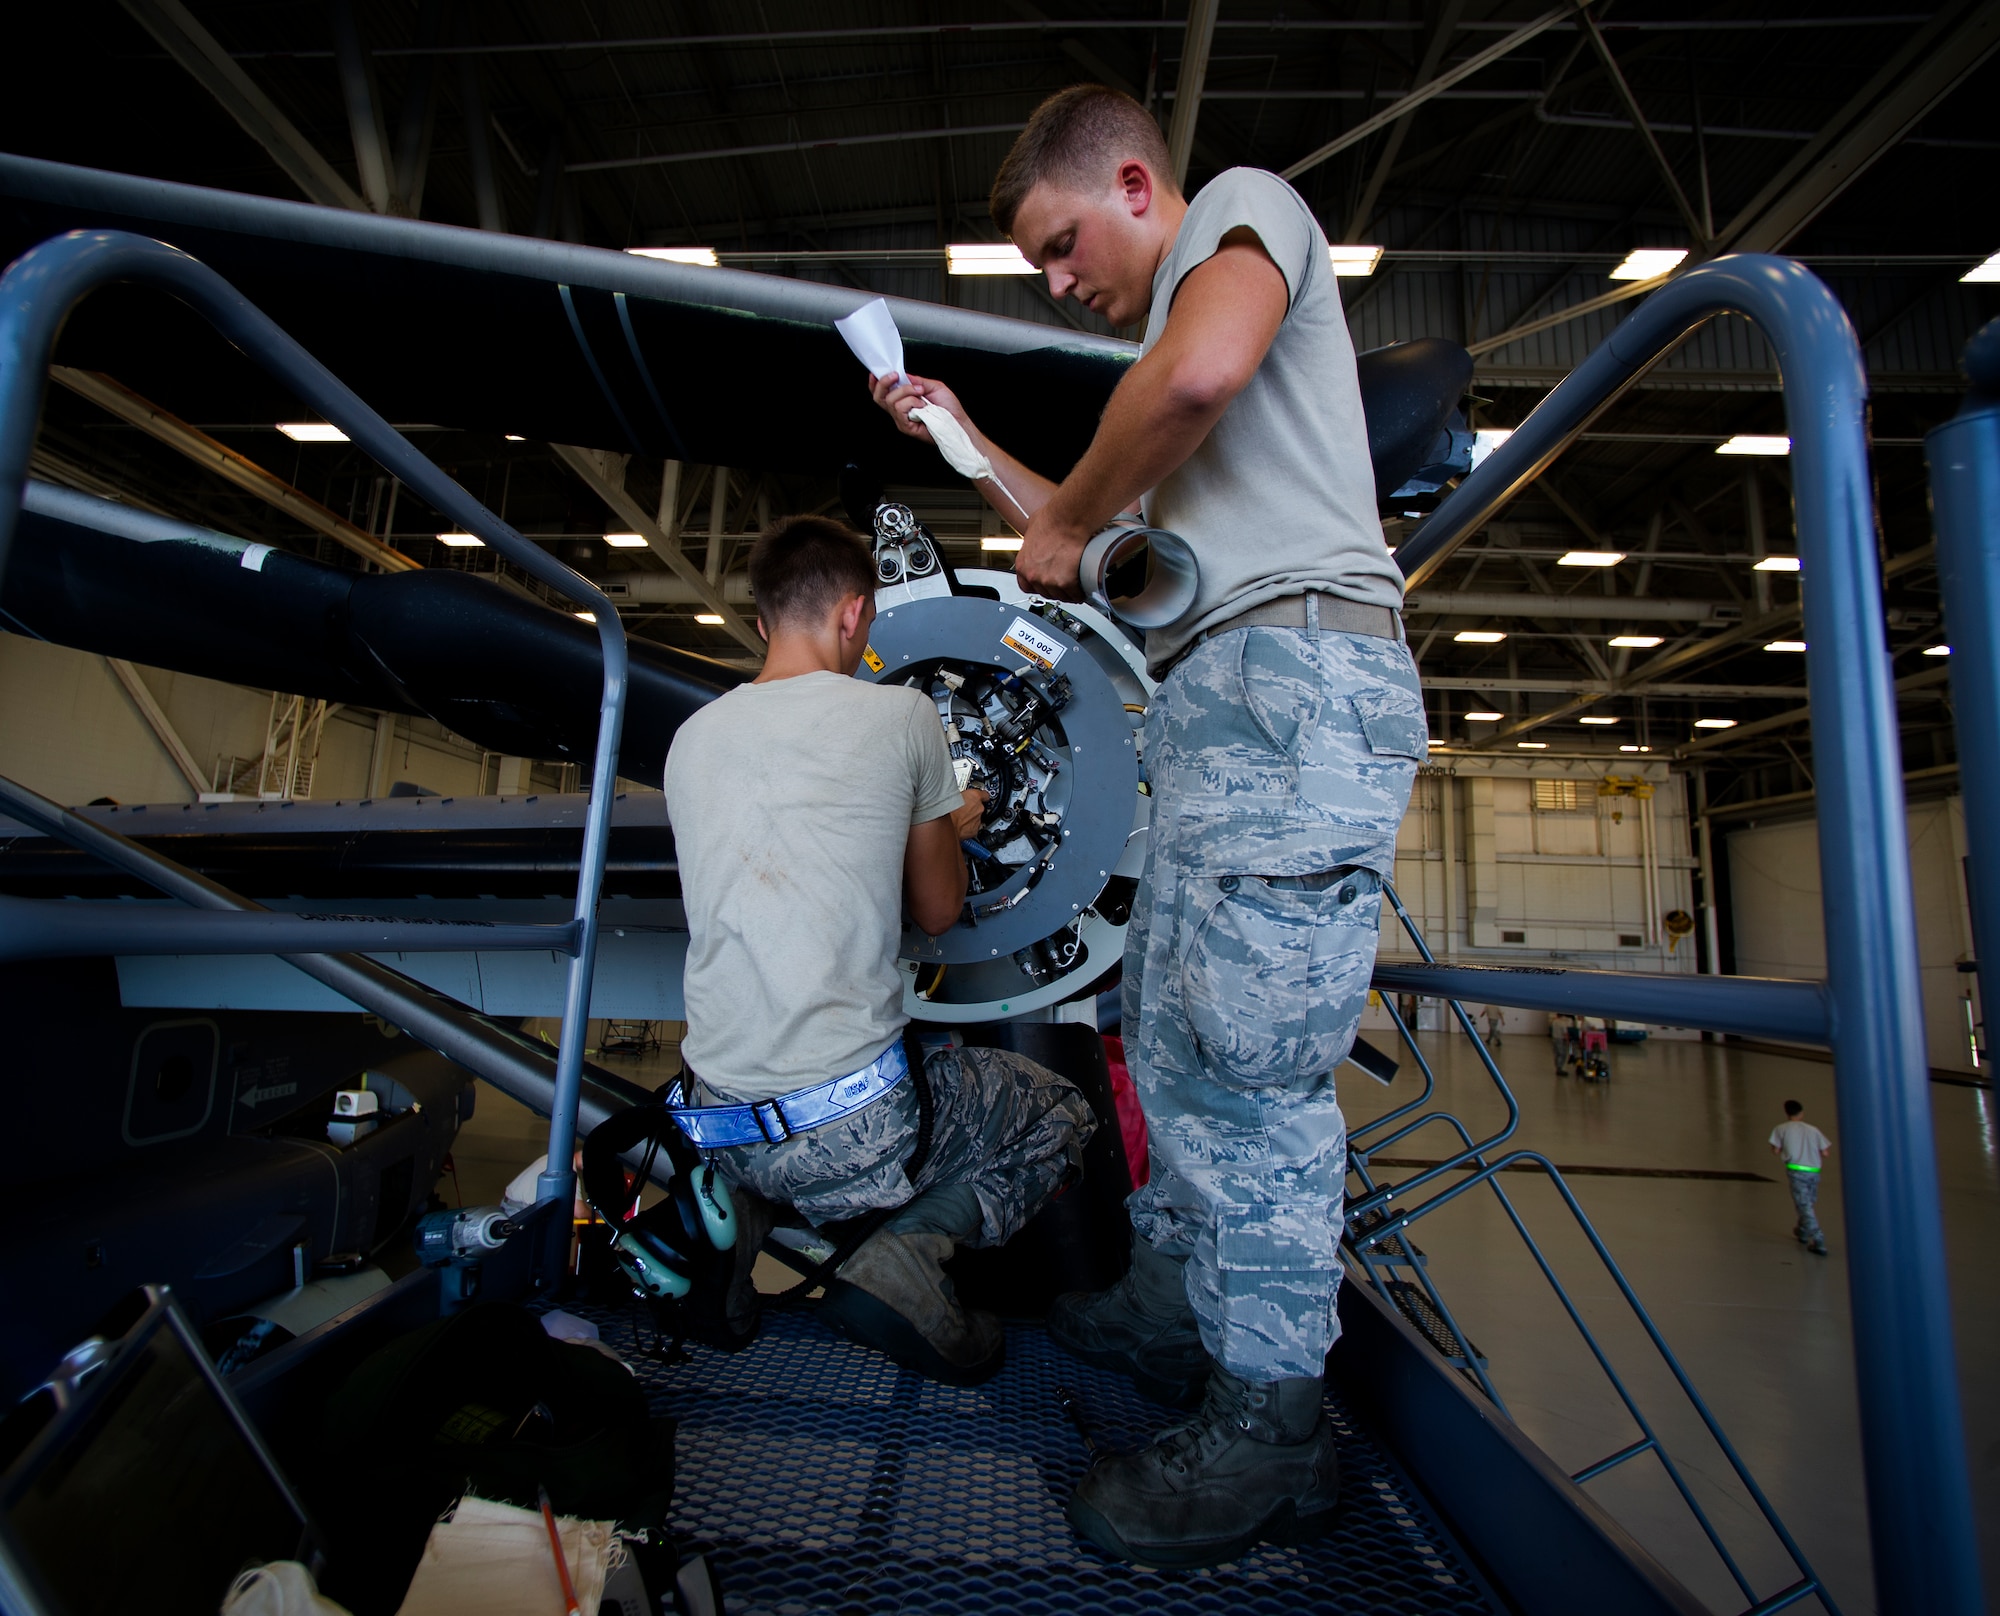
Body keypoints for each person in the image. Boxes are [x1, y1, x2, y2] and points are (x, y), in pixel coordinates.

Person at [869, 86, 1424, 1567]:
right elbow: (1075, 539)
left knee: (1252, 1077)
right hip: (1216, 704)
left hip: (1297, 687)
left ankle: (1273, 1428)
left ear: (1133, 181)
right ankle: (1183, 1304)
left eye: (1058, 248)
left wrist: (1071, 518)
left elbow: (1197, 374)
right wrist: (967, 436)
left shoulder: (1242, 217)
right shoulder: (1171, 404)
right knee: (1172, 1047)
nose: (1057, 282)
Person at [661, 516, 1096, 1385]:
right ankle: (903, 1255)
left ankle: (732, 1220)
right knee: (1058, 1111)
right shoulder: (899, 715)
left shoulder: (691, 738)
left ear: (760, 623)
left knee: (792, 1112)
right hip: (849, 1129)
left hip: (708, 1122)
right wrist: (950, 819)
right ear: (857, 615)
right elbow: (937, 911)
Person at [1769, 1099, 1832, 1256]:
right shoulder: (1813, 1130)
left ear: (1787, 1113)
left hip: (1796, 1171)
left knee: (1804, 1205)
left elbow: (1775, 1150)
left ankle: (1818, 1239)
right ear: (1802, 1113)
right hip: (1814, 1171)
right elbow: (1825, 1152)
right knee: (1808, 1202)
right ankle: (1802, 1231)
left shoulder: (1781, 1129)